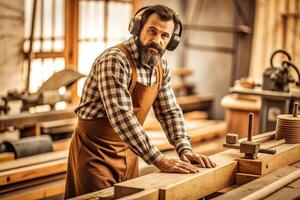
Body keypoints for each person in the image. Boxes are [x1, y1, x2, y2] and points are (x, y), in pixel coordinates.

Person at [65, 4, 216, 198]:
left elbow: (169, 110)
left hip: (130, 150)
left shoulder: (161, 65)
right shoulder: (114, 60)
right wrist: (159, 160)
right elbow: (122, 117)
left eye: (164, 36)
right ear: (137, 28)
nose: (157, 40)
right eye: (152, 31)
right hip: (95, 152)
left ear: (171, 41)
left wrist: (184, 148)